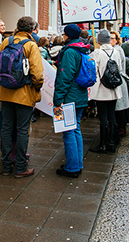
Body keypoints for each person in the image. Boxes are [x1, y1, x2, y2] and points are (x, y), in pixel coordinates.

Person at [0, 16, 44, 178]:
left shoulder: (6, 42)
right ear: (31, 30)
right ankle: (21, 167)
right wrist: (37, 87)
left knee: (6, 129)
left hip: (6, 92)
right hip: (24, 94)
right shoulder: (31, 45)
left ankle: (6, 165)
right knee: (22, 130)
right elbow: (37, 74)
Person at [53, 24, 89, 178]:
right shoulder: (83, 49)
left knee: (68, 131)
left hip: (70, 97)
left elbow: (65, 77)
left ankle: (72, 167)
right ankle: (77, 163)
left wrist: (58, 99)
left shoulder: (69, 52)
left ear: (68, 35)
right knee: (76, 129)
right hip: (80, 96)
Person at [89, 29, 122, 153]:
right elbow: (119, 68)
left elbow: (93, 70)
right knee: (112, 116)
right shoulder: (116, 51)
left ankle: (102, 144)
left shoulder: (97, 52)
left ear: (99, 40)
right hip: (113, 89)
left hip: (101, 89)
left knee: (103, 117)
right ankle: (111, 143)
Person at [110, 31, 129, 138]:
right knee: (119, 108)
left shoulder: (117, 50)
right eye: (109, 38)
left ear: (117, 40)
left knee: (120, 109)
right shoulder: (116, 49)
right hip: (118, 81)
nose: (111, 40)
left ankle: (121, 129)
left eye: (113, 38)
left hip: (118, 81)